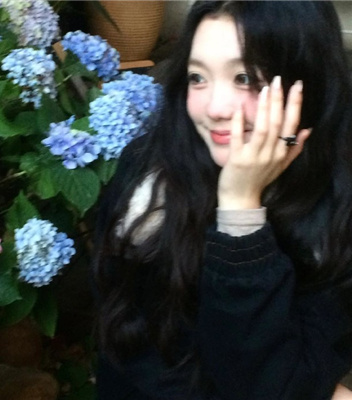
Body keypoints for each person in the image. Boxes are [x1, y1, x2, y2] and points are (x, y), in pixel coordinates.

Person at [92, 1, 352, 399]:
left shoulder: (338, 209)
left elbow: (274, 385)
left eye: (245, 77)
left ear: (307, 80)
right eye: (198, 77)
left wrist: (240, 212)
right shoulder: (149, 182)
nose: (214, 108)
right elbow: (129, 350)